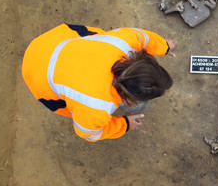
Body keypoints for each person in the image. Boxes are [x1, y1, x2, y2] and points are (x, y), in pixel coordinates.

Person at [22, 23, 176, 142]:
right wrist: (124, 125)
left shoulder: (127, 41)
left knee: (99, 35)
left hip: (50, 42)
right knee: (73, 106)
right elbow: (87, 132)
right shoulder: (96, 107)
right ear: (129, 98)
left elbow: (145, 37)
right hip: (36, 75)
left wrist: (164, 46)